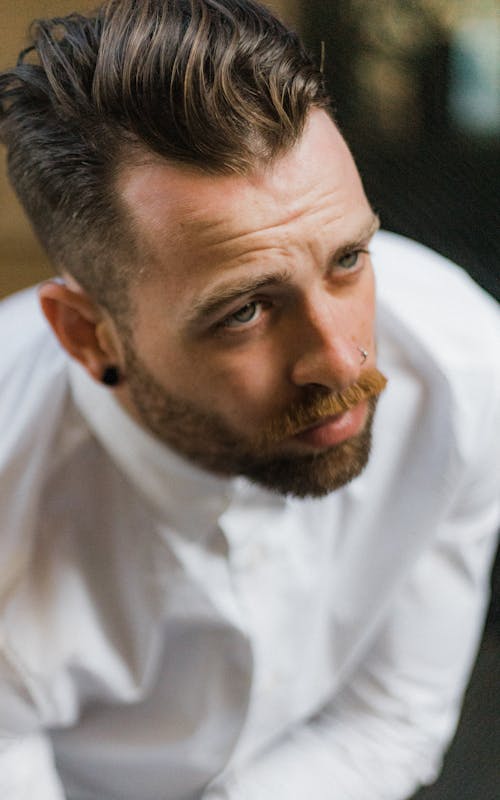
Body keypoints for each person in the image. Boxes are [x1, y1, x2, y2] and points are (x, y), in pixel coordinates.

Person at [0, 1, 498, 798]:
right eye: (244, 310)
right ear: (89, 336)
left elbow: (391, 720)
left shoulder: (463, 369)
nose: (342, 361)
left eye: (347, 260)